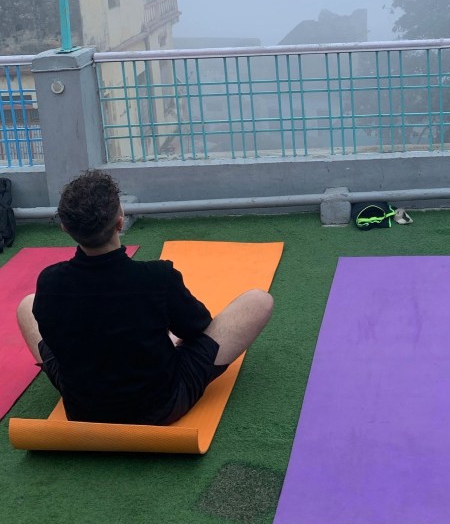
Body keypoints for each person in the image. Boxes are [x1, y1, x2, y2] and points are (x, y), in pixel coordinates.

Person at [16, 170, 274, 424]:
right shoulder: (157, 277)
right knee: (259, 301)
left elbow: (57, 334)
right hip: (160, 406)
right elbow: (197, 327)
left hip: (83, 409)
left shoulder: (49, 281)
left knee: (27, 305)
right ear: (120, 221)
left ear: (65, 227)